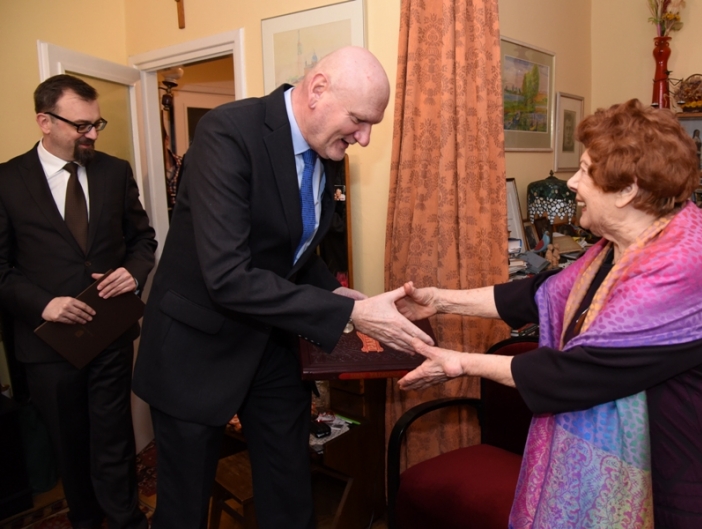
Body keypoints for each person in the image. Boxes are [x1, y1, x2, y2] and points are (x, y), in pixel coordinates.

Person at [396, 99, 702, 528]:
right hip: (643, 458)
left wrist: (461, 363)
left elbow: (577, 373)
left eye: (586, 171)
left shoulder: (683, 264)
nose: (572, 182)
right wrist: (438, 300)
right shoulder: (623, 245)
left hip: (689, 471)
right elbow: (542, 293)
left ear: (627, 190)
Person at [132, 46, 433, 529]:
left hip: (270, 348)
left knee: (290, 493)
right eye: (359, 120)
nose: (365, 137)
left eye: (371, 124)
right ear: (318, 91)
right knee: (183, 511)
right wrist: (350, 316)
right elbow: (228, 276)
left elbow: (293, 251)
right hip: (194, 352)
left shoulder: (326, 148)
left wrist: (339, 294)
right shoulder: (228, 133)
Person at [0, 74, 157, 529]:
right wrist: (43, 304)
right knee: (69, 445)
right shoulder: (7, 181)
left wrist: (134, 272)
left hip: (109, 334)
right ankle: (86, 520)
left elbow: (143, 240)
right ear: (44, 121)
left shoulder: (114, 171)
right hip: (47, 344)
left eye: (96, 124)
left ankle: (127, 520)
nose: (92, 135)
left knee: (114, 438)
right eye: (81, 125)